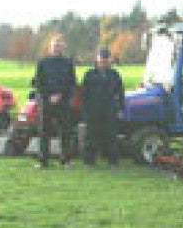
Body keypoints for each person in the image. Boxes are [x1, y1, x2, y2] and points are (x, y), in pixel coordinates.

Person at [33, 35, 77, 168]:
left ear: (62, 47)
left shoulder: (68, 63)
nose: (56, 48)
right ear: (50, 47)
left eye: (59, 45)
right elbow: (38, 82)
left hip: (63, 102)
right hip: (45, 102)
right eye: (54, 45)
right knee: (44, 132)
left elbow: (72, 83)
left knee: (65, 132)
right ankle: (43, 161)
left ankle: (65, 161)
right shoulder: (42, 62)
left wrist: (61, 95)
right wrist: (48, 96)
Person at [81, 48, 124, 166]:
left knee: (111, 136)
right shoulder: (89, 74)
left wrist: (120, 108)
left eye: (106, 58)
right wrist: (84, 111)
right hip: (93, 110)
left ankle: (113, 161)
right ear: (97, 58)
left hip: (110, 110)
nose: (103, 61)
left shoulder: (114, 74)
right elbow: (84, 95)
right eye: (101, 58)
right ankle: (89, 161)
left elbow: (120, 93)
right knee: (91, 136)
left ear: (109, 59)